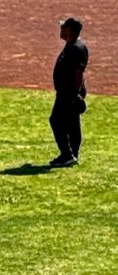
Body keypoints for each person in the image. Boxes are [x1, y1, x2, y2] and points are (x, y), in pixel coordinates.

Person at [51, 17, 89, 168]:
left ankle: (67, 154)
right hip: (66, 92)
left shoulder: (77, 48)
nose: (61, 30)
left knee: (56, 121)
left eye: (63, 28)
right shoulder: (71, 45)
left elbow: (78, 73)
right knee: (71, 123)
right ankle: (71, 155)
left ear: (70, 30)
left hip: (69, 93)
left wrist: (76, 94)